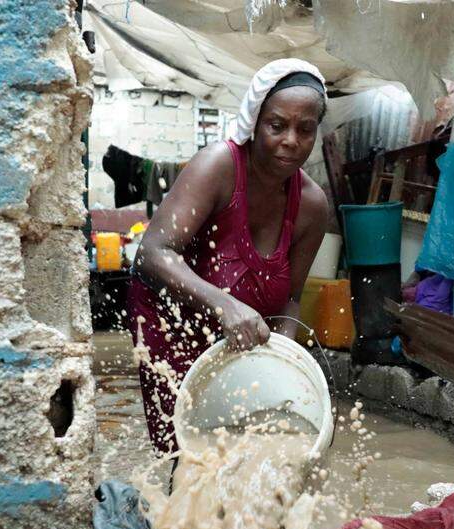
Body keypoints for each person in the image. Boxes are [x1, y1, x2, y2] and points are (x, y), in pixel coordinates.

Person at [127, 59, 332, 454]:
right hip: (173, 322)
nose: (291, 140)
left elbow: (290, 299)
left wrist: (283, 362)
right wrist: (225, 307)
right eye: (277, 126)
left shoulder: (311, 206)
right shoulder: (219, 167)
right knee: (187, 452)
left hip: (237, 337)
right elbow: (152, 253)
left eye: (305, 130)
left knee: (255, 447)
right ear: (255, 122)